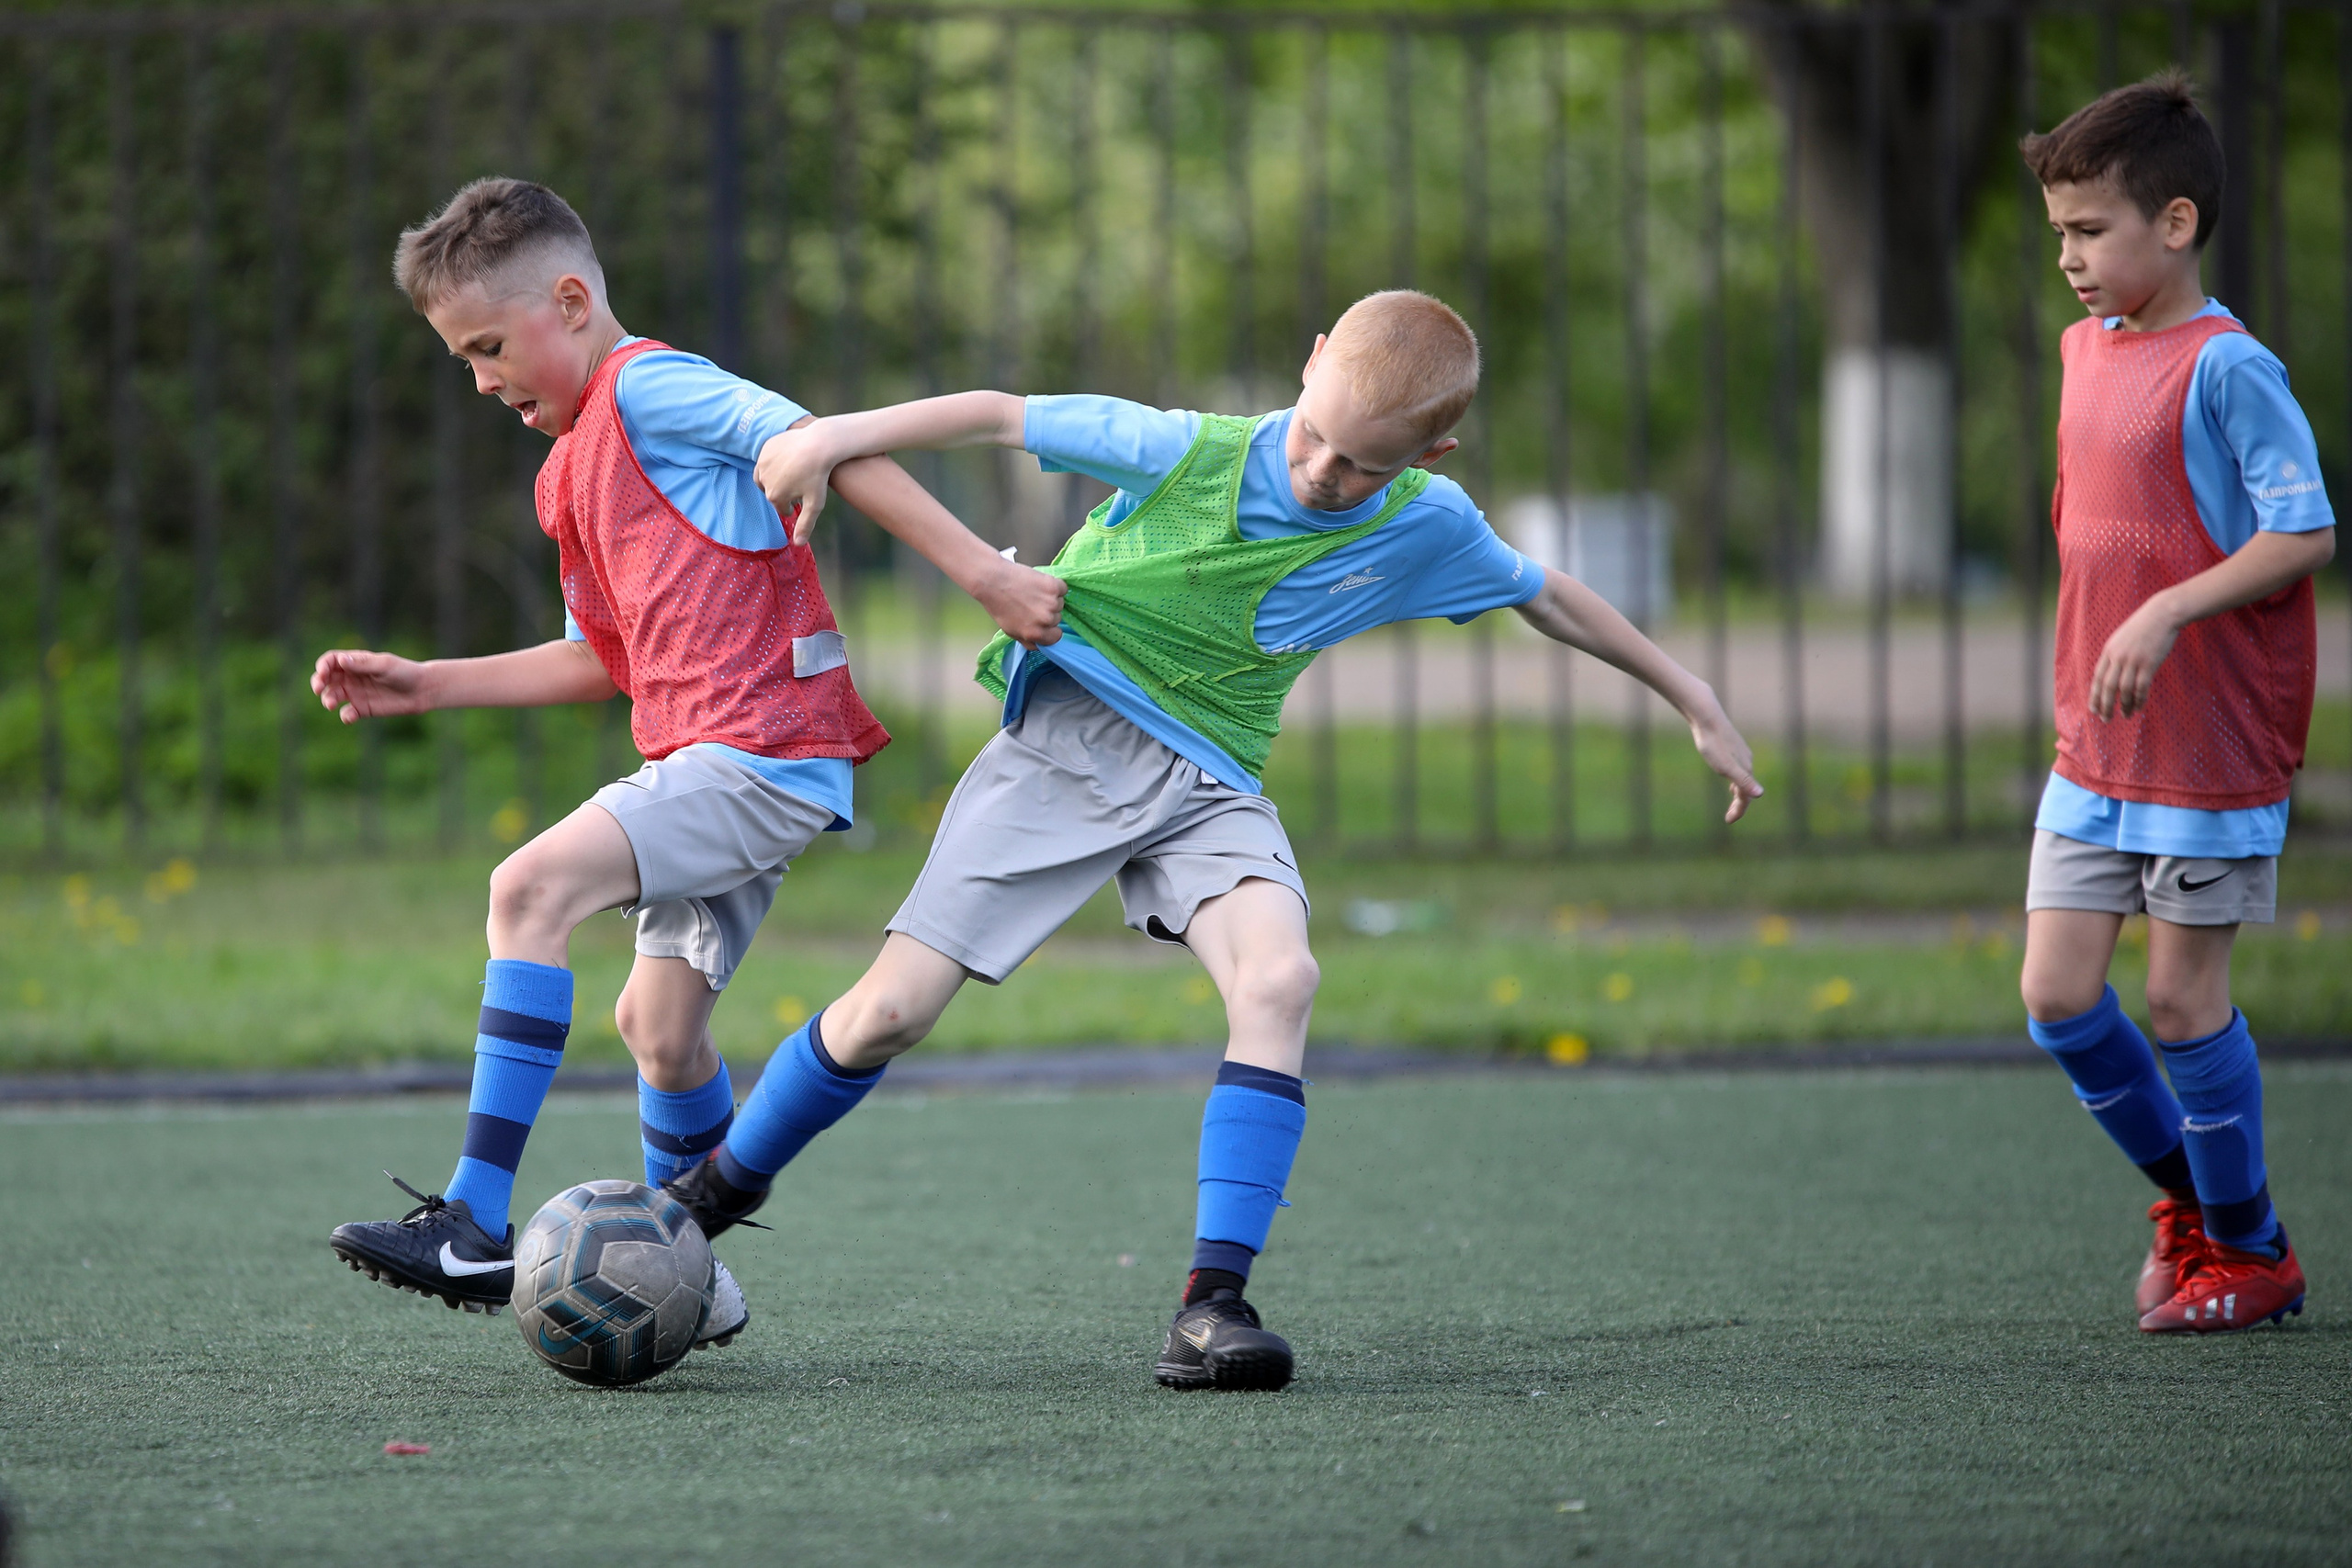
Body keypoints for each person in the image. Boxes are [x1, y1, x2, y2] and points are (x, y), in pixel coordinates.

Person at [658, 288, 1764, 1390]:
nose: (1323, 472)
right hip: (1067, 748)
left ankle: (1210, 1306)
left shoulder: (1428, 523)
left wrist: (1691, 695)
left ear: (1435, 449)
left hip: (1210, 784)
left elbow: (1547, 594)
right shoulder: (1184, 451)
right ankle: (710, 1197)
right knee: (886, 1015)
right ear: (1311, 356)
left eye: (1363, 465)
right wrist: (834, 437)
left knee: (1281, 978)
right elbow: (1004, 412)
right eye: (1316, 435)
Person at [316, 178, 1065, 1346]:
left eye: (489, 348)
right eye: (461, 358)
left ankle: (471, 1218)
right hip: (727, 764)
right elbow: (597, 657)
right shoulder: (567, 469)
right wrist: (430, 682)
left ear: (570, 300)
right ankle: (690, 1273)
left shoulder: (651, 388)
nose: (480, 380)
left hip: (755, 755)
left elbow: (828, 448)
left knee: (528, 887)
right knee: (660, 1032)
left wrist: (984, 573)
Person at [2016, 75, 2332, 1333]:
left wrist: (2164, 611)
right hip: (2093, 742)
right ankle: (2198, 1210)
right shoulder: (2080, 350)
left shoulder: (2232, 366)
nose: (2070, 259)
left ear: (2179, 221)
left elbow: (2302, 531)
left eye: (2092, 231)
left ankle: (2254, 1251)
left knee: (2181, 1003)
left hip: (2210, 747)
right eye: (2058, 234)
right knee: (2056, 997)